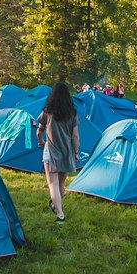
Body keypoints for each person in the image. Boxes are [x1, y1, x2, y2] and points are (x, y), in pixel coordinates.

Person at [36, 81, 79, 222]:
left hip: (51, 151)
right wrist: (76, 152)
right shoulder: (72, 113)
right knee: (60, 184)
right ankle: (56, 205)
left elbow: (39, 131)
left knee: (52, 184)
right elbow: (75, 135)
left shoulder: (47, 112)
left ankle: (60, 214)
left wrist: (41, 141)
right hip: (67, 151)